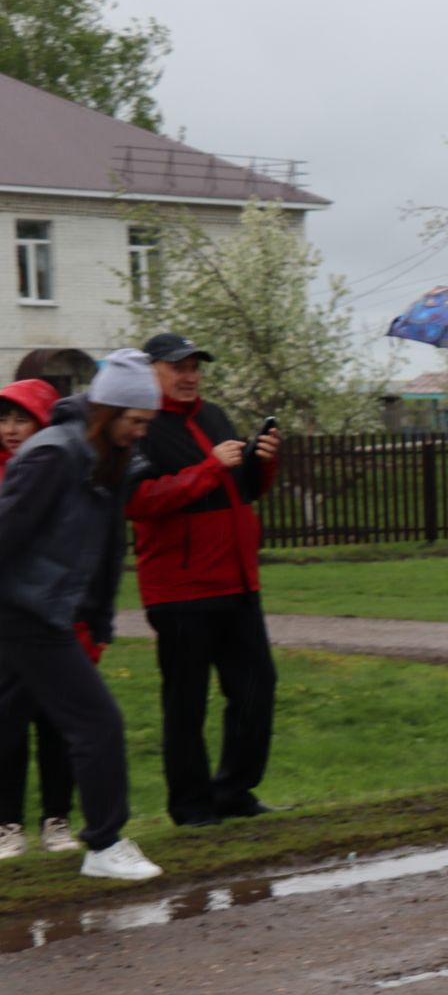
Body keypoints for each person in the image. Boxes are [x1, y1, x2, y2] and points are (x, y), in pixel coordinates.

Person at [0, 351, 164, 880]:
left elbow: (105, 548)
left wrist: (97, 621)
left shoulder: (103, 461)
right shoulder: (53, 455)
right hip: (24, 611)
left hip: (47, 612)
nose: (141, 432)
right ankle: (104, 843)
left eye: (147, 423)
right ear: (108, 410)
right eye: (136, 421)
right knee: (97, 723)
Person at [124, 332, 282, 826]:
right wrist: (210, 469)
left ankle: (233, 791)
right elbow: (140, 501)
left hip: (236, 581)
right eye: (178, 367)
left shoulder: (213, 417)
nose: (190, 375)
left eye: (195, 366)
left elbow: (243, 490)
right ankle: (191, 809)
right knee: (186, 703)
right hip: (180, 589)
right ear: (151, 371)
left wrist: (264, 460)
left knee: (257, 687)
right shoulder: (139, 426)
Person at [0, 378, 80, 859]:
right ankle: (7, 824)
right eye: (3, 419)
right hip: (6, 621)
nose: (10, 430)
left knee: (57, 722)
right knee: (6, 722)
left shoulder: (63, 473)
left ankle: (57, 819)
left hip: (55, 617)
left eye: (21, 418)